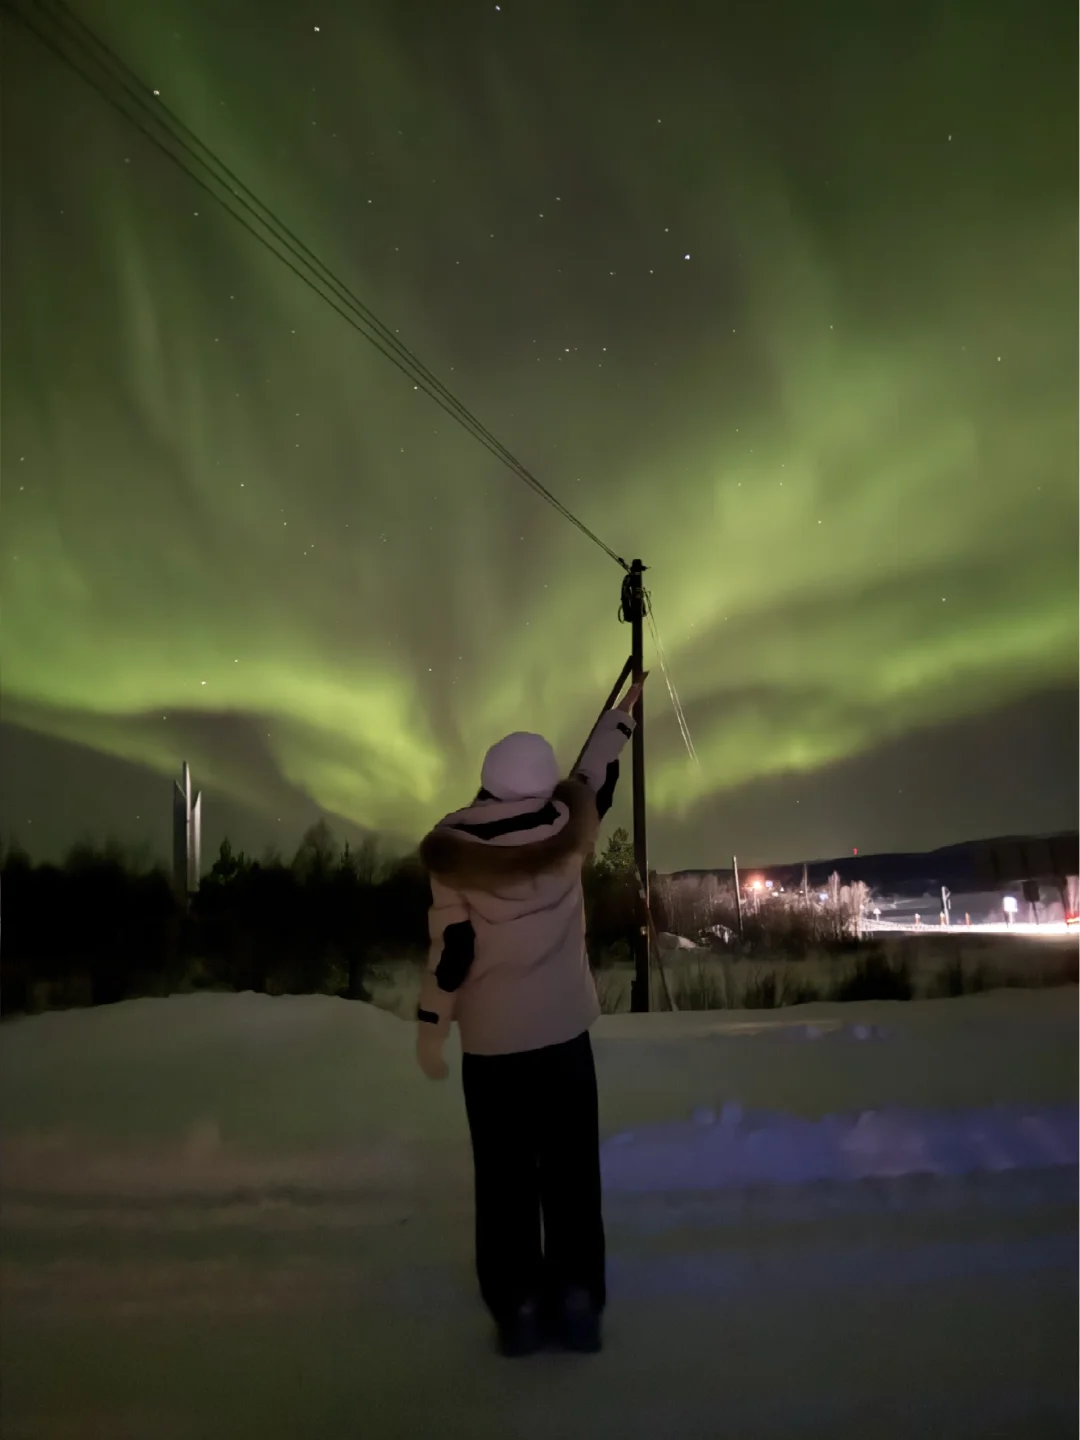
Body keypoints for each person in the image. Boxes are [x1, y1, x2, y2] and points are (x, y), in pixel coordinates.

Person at [414, 674, 647, 1358]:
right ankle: (576, 1303)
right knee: (572, 1176)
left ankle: (516, 1307)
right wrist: (620, 719)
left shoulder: (456, 855)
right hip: (565, 1040)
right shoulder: (568, 834)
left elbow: (451, 951)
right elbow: (593, 779)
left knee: (505, 1181)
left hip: (492, 1051)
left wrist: (431, 1027)